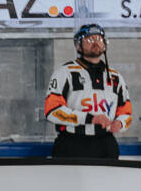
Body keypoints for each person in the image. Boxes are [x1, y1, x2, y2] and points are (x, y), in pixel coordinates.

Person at [45, 22, 132, 160]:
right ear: (78, 45)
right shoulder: (64, 72)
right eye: (89, 39)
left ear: (105, 43)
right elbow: (52, 110)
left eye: (99, 39)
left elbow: (126, 111)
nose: (96, 42)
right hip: (71, 143)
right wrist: (90, 118)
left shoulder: (115, 77)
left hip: (106, 144)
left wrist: (120, 123)